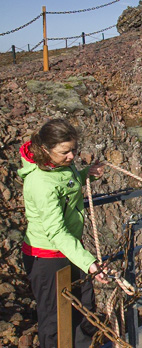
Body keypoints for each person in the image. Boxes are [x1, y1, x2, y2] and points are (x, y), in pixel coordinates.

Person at [19, 118, 108, 348]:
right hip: (47, 257)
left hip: (70, 251)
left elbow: (67, 184)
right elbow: (56, 232)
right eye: (65, 152)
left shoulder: (58, 164)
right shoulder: (40, 182)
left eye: (74, 150)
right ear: (45, 149)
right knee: (54, 320)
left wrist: (86, 173)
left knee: (84, 308)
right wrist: (89, 262)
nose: (71, 157)